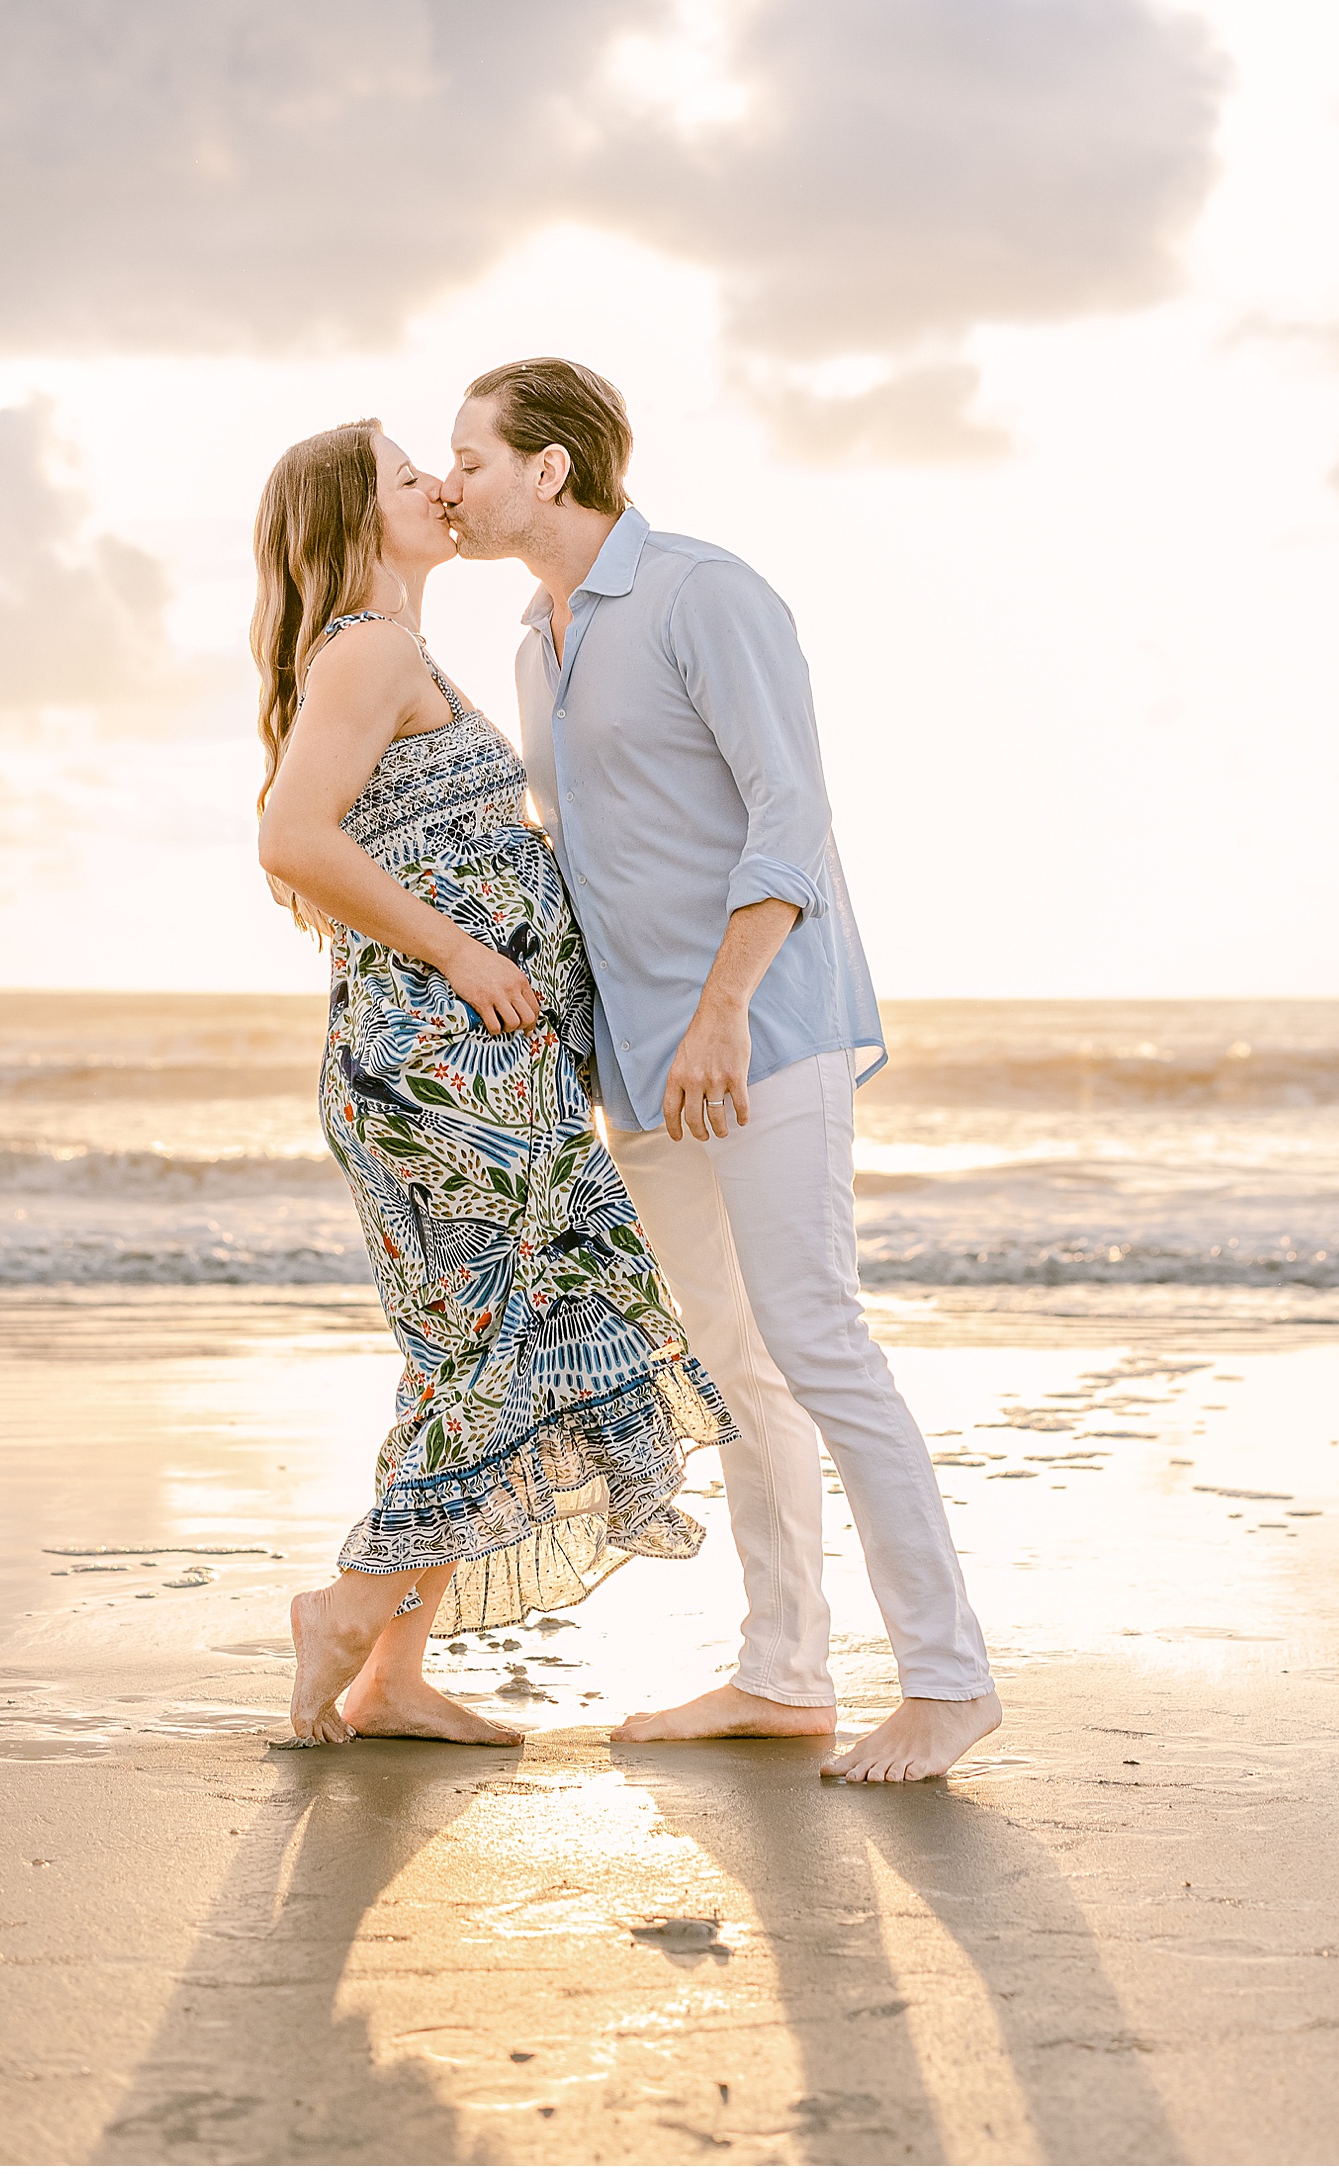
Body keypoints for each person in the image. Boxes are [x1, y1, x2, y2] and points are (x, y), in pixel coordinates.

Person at [442, 359, 1001, 1784]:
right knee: (735, 1364)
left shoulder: (704, 593)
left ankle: (947, 1679)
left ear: (552, 468)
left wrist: (722, 1007)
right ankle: (784, 1669)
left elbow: (791, 816)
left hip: (765, 1036)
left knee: (819, 1340)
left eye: (473, 457)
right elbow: (591, 867)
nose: (453, 484)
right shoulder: (534, 640)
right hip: (644, 1067)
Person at [250, 419, 735, 1746]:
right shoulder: (373, 649)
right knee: (484, 1353)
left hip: (480, 1068)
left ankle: (391, 1674)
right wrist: (465, 946)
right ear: (358, 520)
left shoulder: (395, 653)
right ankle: (346, 1611)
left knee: (473, 1353)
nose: (441, 489)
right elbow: (290, 837)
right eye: (412, 478)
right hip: (437, 1070)